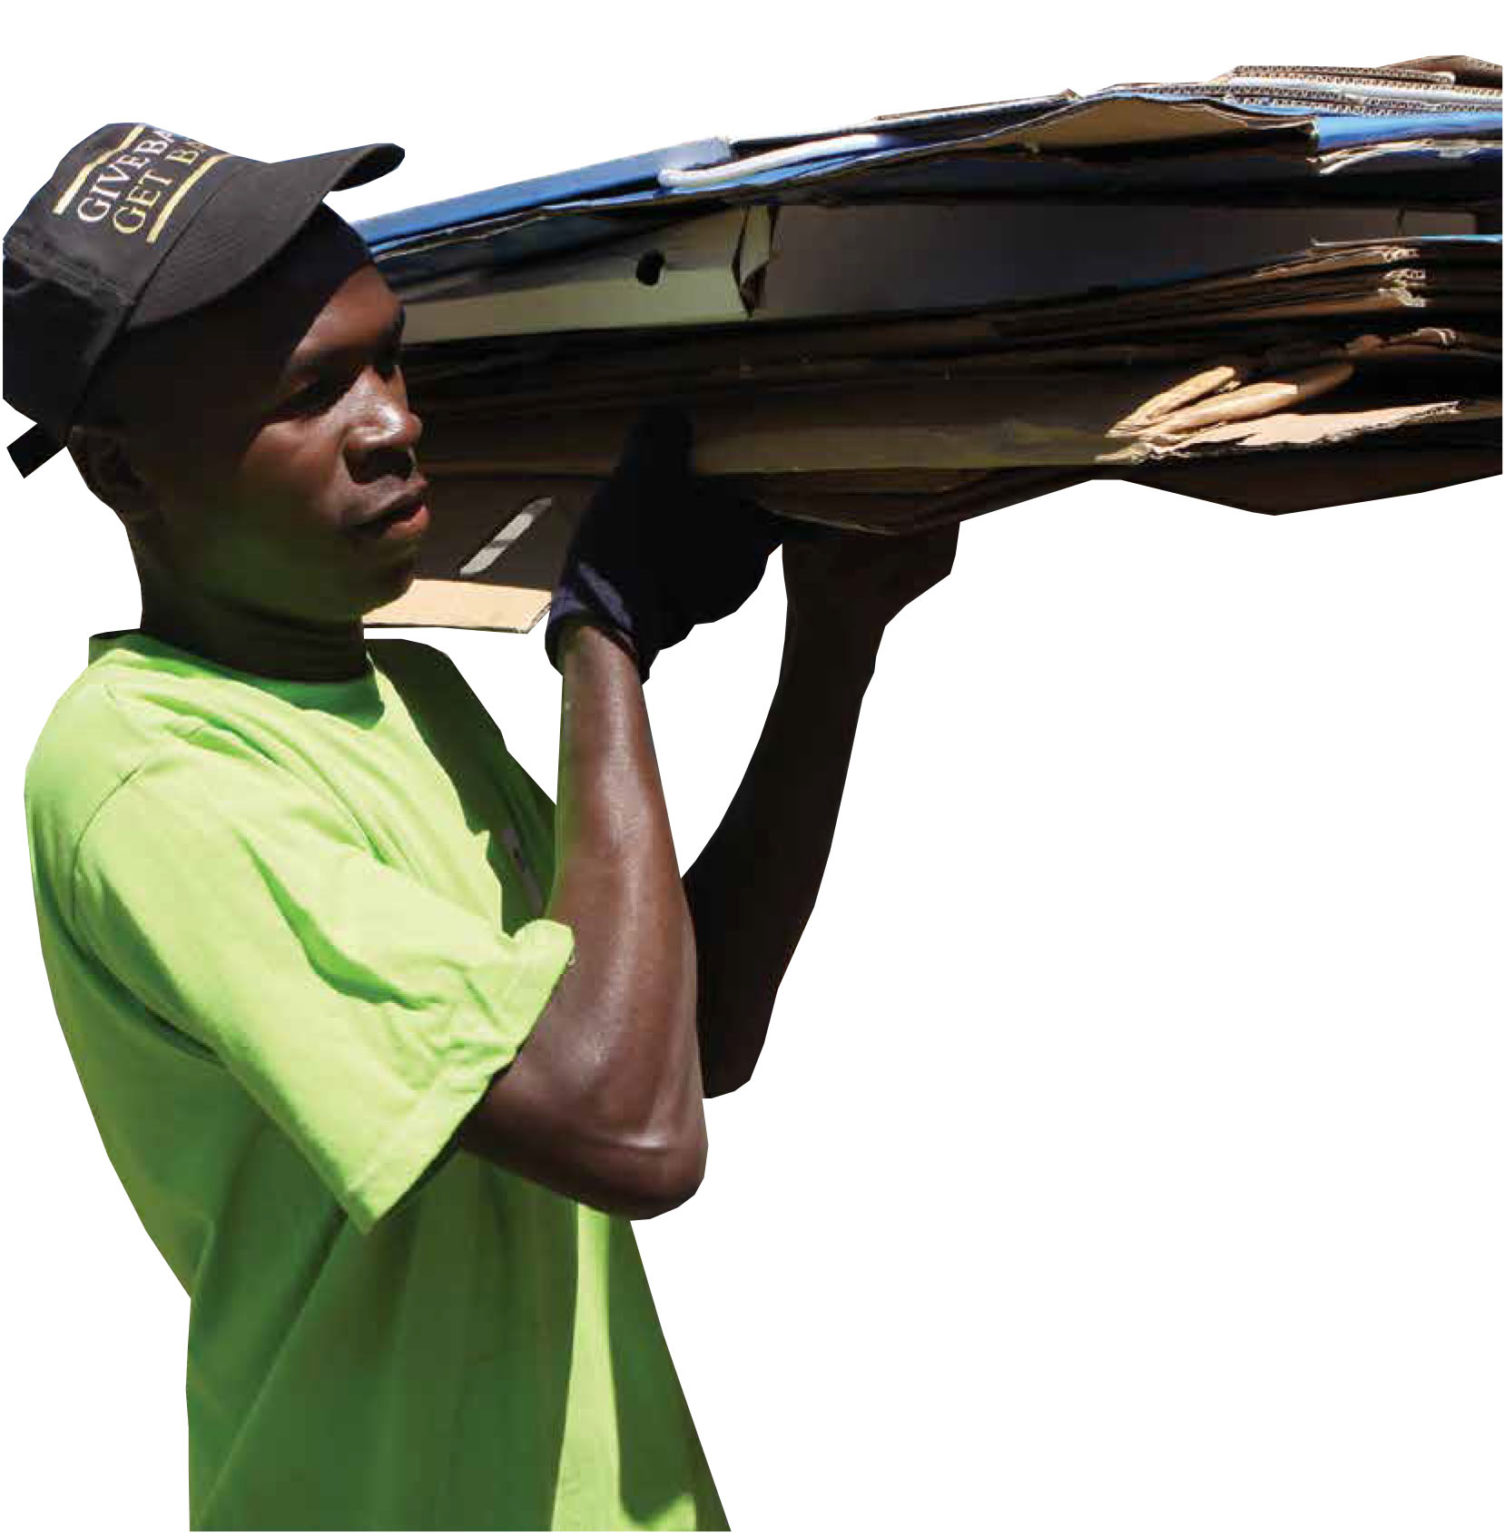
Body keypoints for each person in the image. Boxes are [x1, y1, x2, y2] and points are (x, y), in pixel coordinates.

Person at [7, 123, 957, 1531]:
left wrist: (835, 635)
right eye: (311, 392)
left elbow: (690, 1043)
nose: (392, 423)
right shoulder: (152, 774)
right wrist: (604, 646)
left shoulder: (412, 698)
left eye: (389, 361)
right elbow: (631, 1134)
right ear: (122, 474)